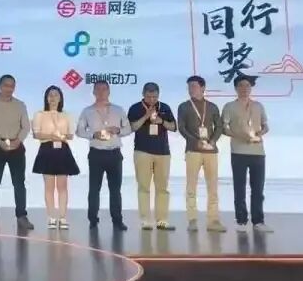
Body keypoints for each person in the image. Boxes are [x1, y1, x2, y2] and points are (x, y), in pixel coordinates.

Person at [0, 74, 34, 232]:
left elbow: (26, 126)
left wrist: (18, 140)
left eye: (12, 86)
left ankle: (21, 216)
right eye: (6, 85)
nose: (9, 88)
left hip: (17, 146)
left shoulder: (20, 105)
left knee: (19, 183)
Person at [76, 80, 130, 230]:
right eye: (98, 89)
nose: (101, 92)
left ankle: (117, 220)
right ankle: (93, 219)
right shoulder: (87, 111)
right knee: (94, 189)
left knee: (115, 190)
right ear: (93, 92)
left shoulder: (118, 110)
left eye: (104, 89)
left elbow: (128, 129)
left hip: (114, 153)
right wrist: (93, 134)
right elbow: (79, 131)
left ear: (109, 91)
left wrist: (118, 130)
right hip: (96, 154)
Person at [222, 74, 271, 233]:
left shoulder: (258, 106)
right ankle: (241, 221)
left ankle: (258, 221)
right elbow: (224, 128)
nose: (244, 89)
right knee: (239, 188)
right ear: (236, 88)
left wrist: (260, 133)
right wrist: (239, 136)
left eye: (247, 86)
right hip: (238, 151)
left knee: (258, 188)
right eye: (241, 86)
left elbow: (266, 126)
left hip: (258, 152)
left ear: (251, 88)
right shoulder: (229, 106)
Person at [127, 82, 178, 231]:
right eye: (149, 97)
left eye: (155, 97)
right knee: (144, 186)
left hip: (163, 152)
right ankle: (145, 220)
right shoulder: (135, 108)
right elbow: (132, 127)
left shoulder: (165, 107)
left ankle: (162, 220)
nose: (152, 100)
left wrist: (162, 121)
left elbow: (174, 127)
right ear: (143, 94)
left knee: (162, 187)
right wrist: (146, 116)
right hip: (142, 151)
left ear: (158, 95)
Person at [178, 75, 225, 232]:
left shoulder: (212, 107)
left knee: (213, 187)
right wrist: (194, 141)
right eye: (189, 87)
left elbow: (219, 127)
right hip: (193, 151)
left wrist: (213, 141)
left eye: (194, 86)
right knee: (191, 186)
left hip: (211, 151)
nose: (191, 89)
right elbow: (182, 128)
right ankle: (192, 220)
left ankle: (213, 220)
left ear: (203, 88)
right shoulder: (184, 106)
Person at [32, 85, 78, 229]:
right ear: (46, 98)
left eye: (56, 95)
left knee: (62, 187)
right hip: (47, 150)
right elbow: (36, 134)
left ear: (60, 98)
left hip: (62, 150)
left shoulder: (66, 115)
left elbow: (70, 135)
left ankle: (63, 217)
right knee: (49, 187)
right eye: (50, 95)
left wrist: (61, 136)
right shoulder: (40, 114)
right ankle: (51, 217)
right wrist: (51, 136)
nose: (53, 98)